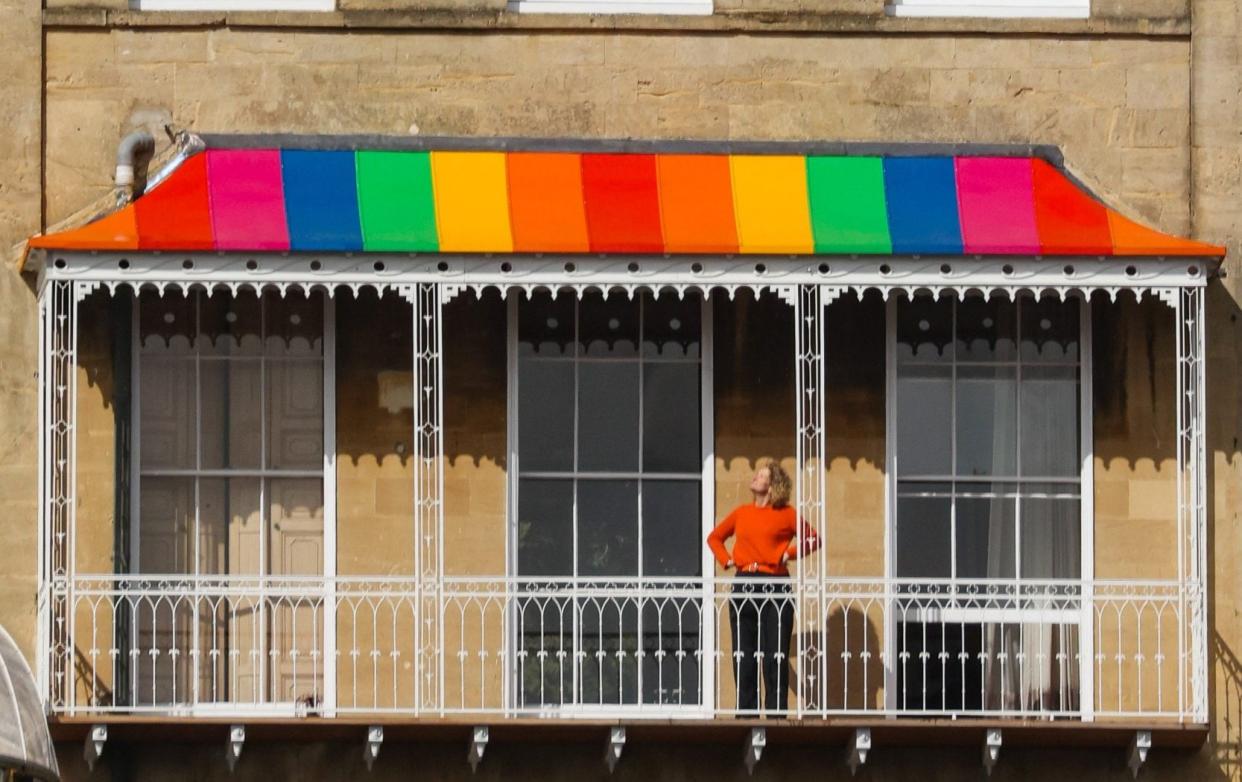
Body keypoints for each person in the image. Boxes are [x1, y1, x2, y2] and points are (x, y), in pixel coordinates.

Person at [706, 461, 820, 715]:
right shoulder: (741, 512)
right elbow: (714, 538)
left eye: (761, 476)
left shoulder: (786, 514)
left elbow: (813, 539)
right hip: (745, 581)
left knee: (775, 652)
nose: (755, 478)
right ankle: (746, 711)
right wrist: (727, 560)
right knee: (744, 653)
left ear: (772, 486)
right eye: (757, 475)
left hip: (775, 584)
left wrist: (788, 553)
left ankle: (776, 713)